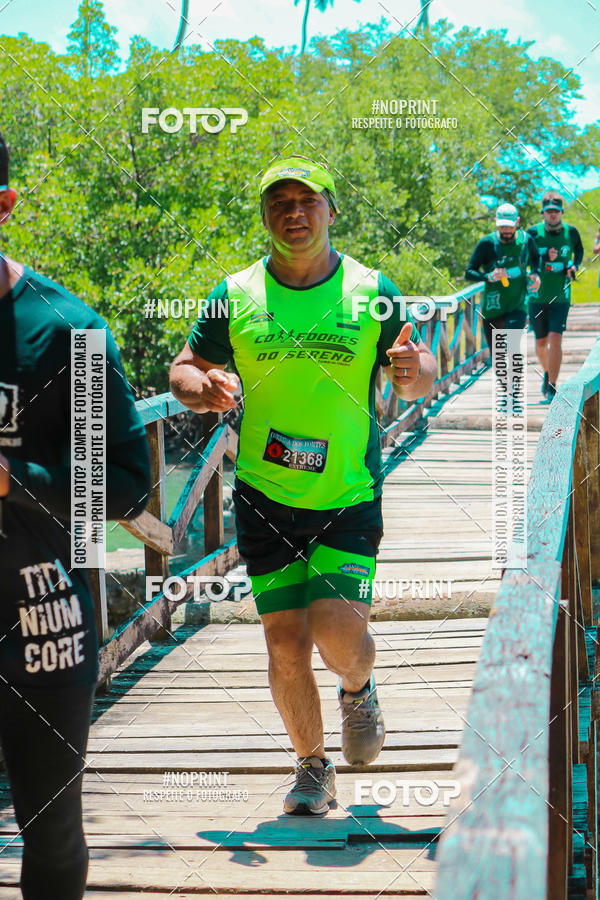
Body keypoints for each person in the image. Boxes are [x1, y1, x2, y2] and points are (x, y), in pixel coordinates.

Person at [170, 155, 436, 816]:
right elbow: (183, 368)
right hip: (263, 495)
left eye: (307, 201)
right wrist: (201, 385)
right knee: (285, 644)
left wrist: (413, 371)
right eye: (279, 203)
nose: (293, 213)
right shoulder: (234, 293)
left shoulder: (371, 288)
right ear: (265, 216)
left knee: (337, 631)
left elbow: (420, 373)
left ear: (331, 211)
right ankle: (312, 767)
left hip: (347, 493)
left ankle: (358, 686)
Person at [0, 131, 151, 899]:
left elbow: (123, 488)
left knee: (51, 829)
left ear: (5, 206)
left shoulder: (67, 329)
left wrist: (15, 481)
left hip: (43, 621)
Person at [527, 191, 584, 401]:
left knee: (555, 338)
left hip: (561, 296)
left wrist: (574, 265)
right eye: (549, 211)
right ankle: (547, 372)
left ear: (561, 212)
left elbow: (579, 250)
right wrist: (543, 256)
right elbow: (523, 257)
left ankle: (552, 385)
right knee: (541, 343)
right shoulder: (533, 233)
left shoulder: (571, 232)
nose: (553, 214)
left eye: (556, 211)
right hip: (537, 296)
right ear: (543, 212)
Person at [465, 202, 540, 356]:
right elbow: (469, 272)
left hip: (518, 304)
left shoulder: (526, 240)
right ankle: (502, 371)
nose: (506, 230)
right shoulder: (487, 243)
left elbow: (536, 259)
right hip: (493, 306)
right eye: (502, 226)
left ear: (517, 222)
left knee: (513, 346)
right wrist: (488, 276)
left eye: (509, 226)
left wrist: (536, 273)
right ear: (496, 222)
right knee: (498, 355)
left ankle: (514, 372)